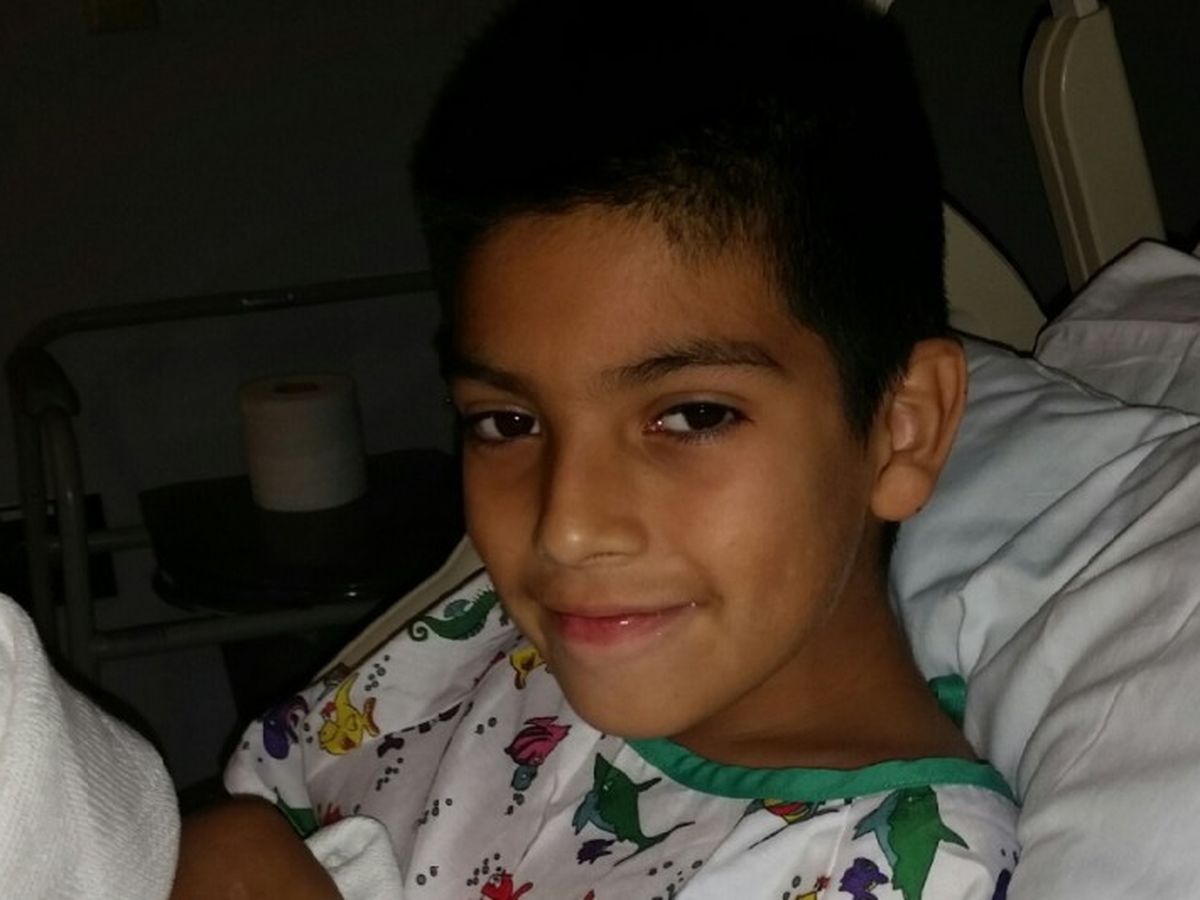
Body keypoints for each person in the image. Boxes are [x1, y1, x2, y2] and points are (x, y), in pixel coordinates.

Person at [173, 0, 1019, 896]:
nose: (567, 525)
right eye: (508, 423)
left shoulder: (894, 863)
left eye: (692, 415)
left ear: (902, 428)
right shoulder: (498, 640)